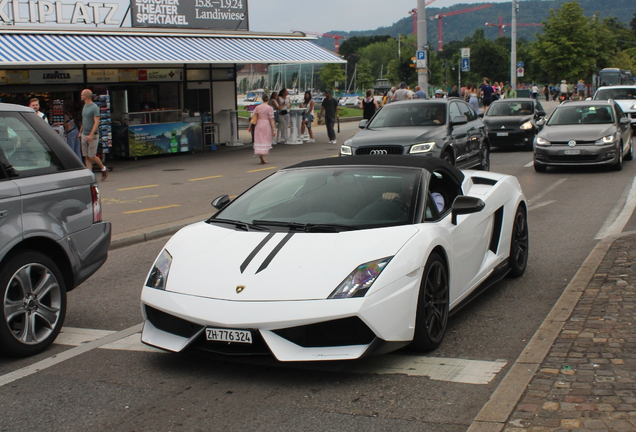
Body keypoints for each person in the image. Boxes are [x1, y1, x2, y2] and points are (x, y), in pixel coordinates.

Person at [79, 89, 108, 180]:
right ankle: (90, 175)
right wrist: (80, 132)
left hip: (93, 135)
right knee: (86, 156)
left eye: (82, 95)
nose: (80, 96)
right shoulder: (85, 106)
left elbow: (96, 122)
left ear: (85, 96)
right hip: (84, 133)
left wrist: (91, 134)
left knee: (92, 156)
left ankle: (103, 168)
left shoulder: (94, 107)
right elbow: (84, 121)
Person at [249, 94, 276, 164]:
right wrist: (274, 129)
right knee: (266, 139)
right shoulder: (269, 108)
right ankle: (262, 155)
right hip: (266, 124)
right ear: (268, 99)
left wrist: (250, 126)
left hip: (259, 123)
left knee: (260, 139)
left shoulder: (258, 107)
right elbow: (272, 120)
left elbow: (253, 117)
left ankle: (261, 154)